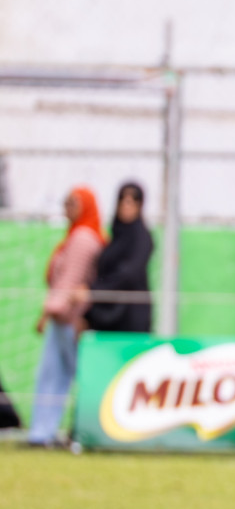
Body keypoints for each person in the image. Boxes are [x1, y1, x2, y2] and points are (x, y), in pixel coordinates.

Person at [29, 186, 105, 446]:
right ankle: (43, 433)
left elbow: (69, 282)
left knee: (69, 376)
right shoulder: (76, 235)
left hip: (69, 319)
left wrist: (49, 312)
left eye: (72, 203)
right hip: (62, 315)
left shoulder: (83, 237)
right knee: (54, 377)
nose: (66, 209)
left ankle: (64, 432)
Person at [85, 181, 155, 334]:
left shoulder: (141, 237)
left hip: (130, 316)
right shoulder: (116, 237)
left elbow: (128, 273)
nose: (126, 205)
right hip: (108, 314)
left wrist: (93, 291)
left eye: (133, 200)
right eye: (122, 199)